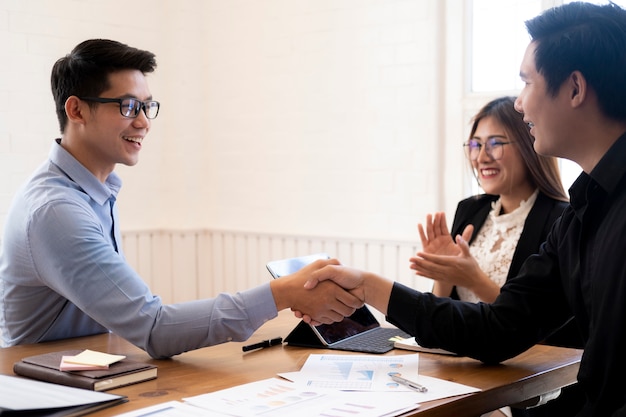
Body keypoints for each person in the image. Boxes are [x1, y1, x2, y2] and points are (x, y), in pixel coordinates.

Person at [302, 2, 626, 416]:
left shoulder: (572, 212)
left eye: (527, 82)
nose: (521, 104)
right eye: (475, 144)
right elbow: (501, 328)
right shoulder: (581, 214)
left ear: (575, 89)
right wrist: (370, 287)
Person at [0, 39, 362, 359]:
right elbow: (155, 328)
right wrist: (281, 293)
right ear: (76, 110)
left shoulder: (97, 189)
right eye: (128, 106)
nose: (143, 122)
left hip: (83, 371)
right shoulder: (57, 211)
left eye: (147, 106)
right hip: (40, 391)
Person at [412, 96, 583, 417]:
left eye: (494, 143)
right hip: (461, 364)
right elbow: (446, 303)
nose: (481, 156)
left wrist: (472, 278)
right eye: (474, 145)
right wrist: (444, 277)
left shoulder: (560, 220)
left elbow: (533, 322)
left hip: (521, 378)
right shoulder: (471, 209)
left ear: (528, 143)